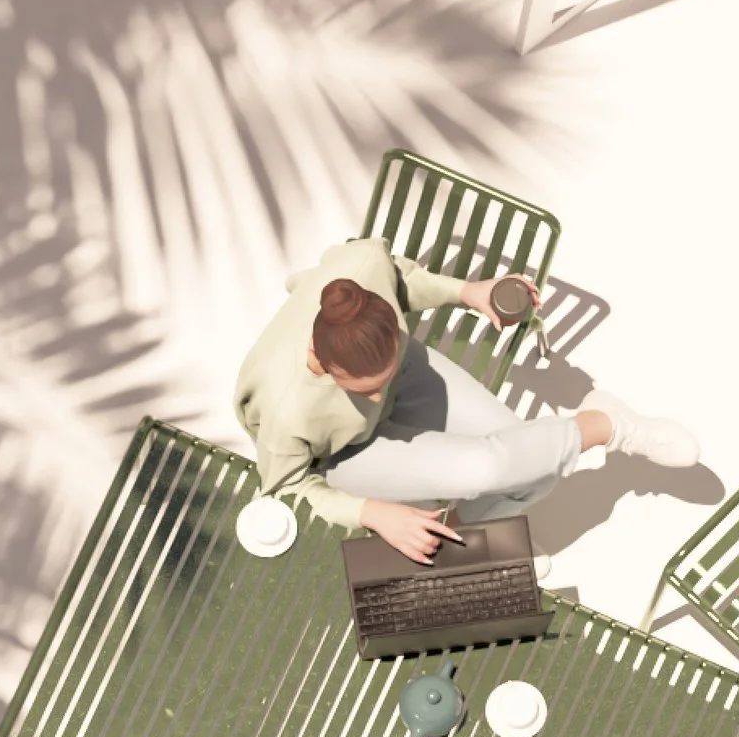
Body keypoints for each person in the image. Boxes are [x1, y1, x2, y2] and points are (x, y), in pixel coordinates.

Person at [233, 233, 699, 565]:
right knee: (495, 467)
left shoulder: (361, 272)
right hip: (345, 450)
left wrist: (468, 292)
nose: (378, 392)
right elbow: (289, 488)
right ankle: (604, 427)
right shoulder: (285, 411)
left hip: (410, 377)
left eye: (386, 373)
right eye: (366, 386)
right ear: (325, 363)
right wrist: (373, 513)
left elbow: (402, 281)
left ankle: (466, 533)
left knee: (526, 463)